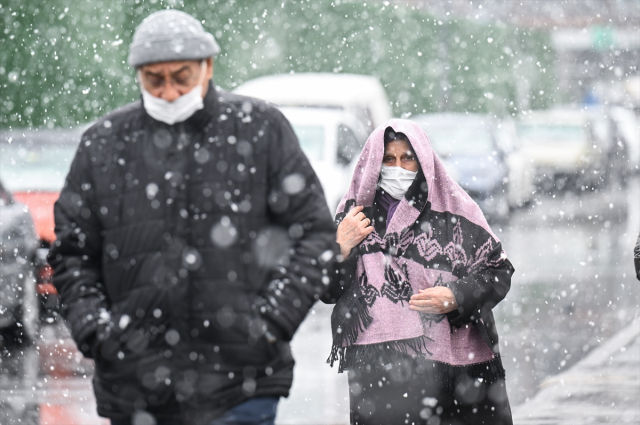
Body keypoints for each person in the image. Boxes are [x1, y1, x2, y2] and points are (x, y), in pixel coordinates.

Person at [48, 10, 336, 425]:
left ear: (208, 67)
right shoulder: (104, 143)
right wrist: (98, 331)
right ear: (138, 76)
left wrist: (271, 321)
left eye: (181, 77)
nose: (168, 91)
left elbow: (313, 234)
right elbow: (72, 252)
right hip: (135, 388)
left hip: (242, 382)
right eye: (154, 79)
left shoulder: (259, 129)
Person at [322, 119, 514, 425]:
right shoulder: (353, 215)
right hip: (378, 376)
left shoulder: (456, 210)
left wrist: (456, 297)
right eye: (388, 159)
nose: (397, 168)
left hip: (452, 372)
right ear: (373, 162)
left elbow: (497, 272)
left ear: (423, 160)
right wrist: (341, 247)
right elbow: (327, 290)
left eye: (407, 158)